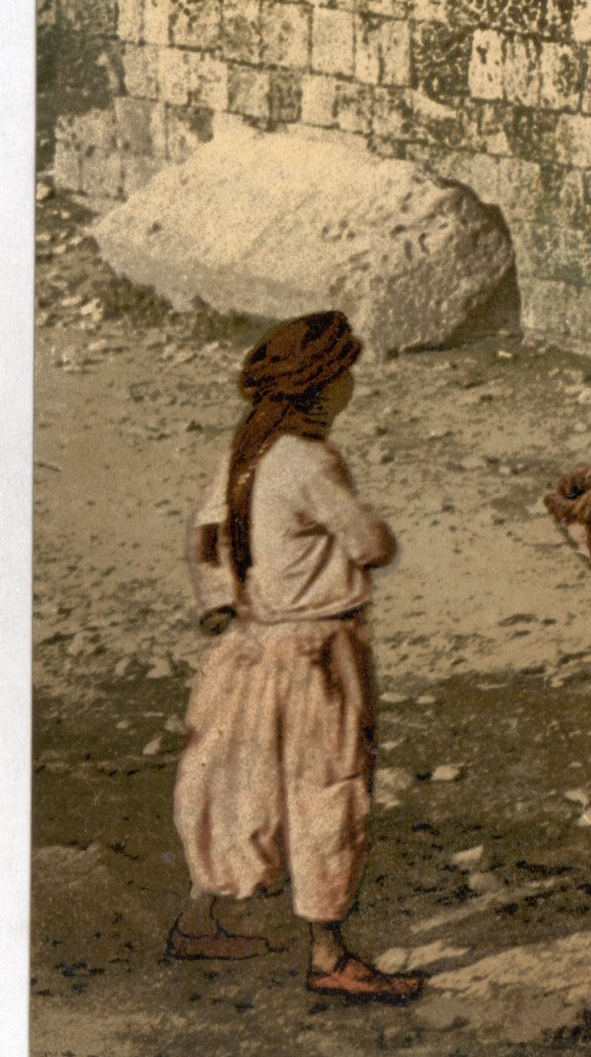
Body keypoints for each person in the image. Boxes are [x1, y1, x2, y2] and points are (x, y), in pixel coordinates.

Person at [167, 311, 423, 1002]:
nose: (350, 385)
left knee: (236, 783)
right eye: (344, 374)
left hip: (248, 649)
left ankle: (199, 917)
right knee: (327, 790)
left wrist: (222, 600)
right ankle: (328, 952)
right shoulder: (309, 461)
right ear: (324, 384)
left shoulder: (242, 453)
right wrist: (374, 539)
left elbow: (204, 540)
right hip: (316, 652)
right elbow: (371, 545)